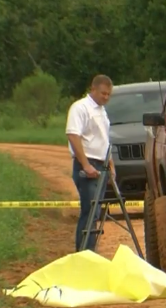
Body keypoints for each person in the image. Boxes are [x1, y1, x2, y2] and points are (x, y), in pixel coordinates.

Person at [65, 74, 115, 252]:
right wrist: (86, 165)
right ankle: (84, 254)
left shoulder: (102, 111)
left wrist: (110, 165)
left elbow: (103, 140)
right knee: (90, 212)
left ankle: (90, 252)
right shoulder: (80, 108)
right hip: (88, 164)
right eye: (103, 93)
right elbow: (73, 135)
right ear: (93, 89)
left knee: (96, 213)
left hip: (101, 164)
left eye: (109, 94)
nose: (106, 97)